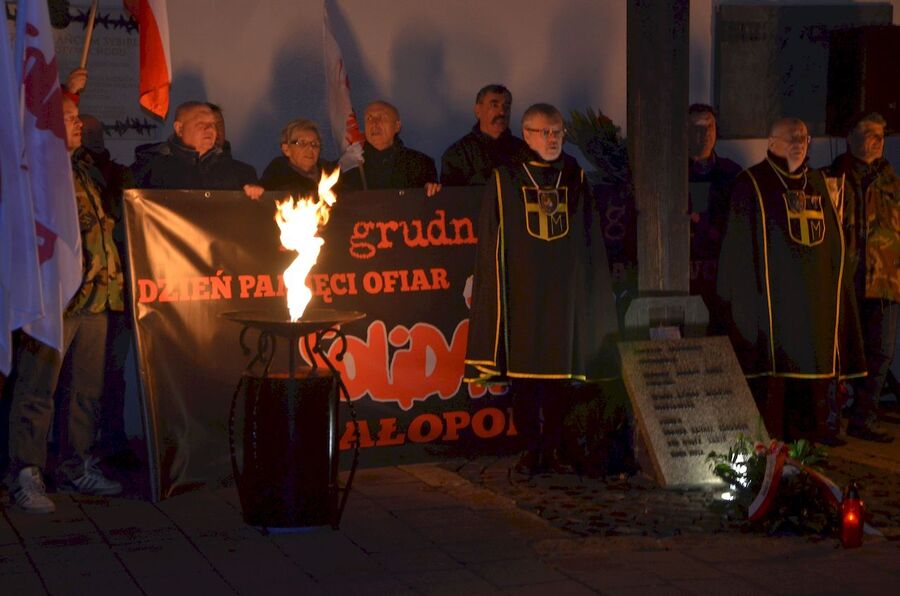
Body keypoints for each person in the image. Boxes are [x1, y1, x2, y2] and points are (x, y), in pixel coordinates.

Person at [465, 103, 619, 475]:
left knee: (558, 380)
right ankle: (531, 448)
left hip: (564, 297)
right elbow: (490, 239)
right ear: (528, 134)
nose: (553, 139)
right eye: (545, 132)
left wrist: (593, 292)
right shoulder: (505, 179)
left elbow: (588, 239)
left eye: (558, 132)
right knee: (524, 378)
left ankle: (552, 448)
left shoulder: (575, 177)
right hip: (522, 294)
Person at [6, 97, 124, 513]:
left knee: (85, 392)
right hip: (53, 300)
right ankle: (25, 472)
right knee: (39, 389)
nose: (80, 124)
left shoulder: (86, 170)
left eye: (77, 118)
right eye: (70, 118)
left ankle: (75, 465)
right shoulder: (36, 172)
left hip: (95, 297)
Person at [717, 117, 866, 445]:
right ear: (771, 143)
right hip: (774, 304)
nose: (799, 143)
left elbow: (833, 246)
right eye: (791, 138)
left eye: (804, 137)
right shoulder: (753, 183)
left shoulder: (817, 182)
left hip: (815, 301)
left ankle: (817, 431)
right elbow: (739, 253)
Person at [827, 112, 898, 443]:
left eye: (881, 134)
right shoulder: (832, 179)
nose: (877, 139)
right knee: (838, 353)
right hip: (845, 282)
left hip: (885, 282)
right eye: (869, 132)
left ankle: (864, 419)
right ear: (849, 137)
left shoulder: (892, 182)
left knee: (881, 352)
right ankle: (829, 420)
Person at [687, 104, 742, 331]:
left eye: (709, 126)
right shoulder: (671, 174)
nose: (705, 134)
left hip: (722, 279)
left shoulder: (732, 174)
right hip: (684, 279)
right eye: (696, 128)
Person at [132, 101, 257, 190]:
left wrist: (255, 196)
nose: (210, 129)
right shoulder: (149, 171)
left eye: (213, 124)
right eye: (201, 124)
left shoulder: (241, 174)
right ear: (179, 128)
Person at [340, 100, 440, 196]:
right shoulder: (349, 166)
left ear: (397, 126)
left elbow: (432, 204)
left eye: (382, 117)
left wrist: (431, 191)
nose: (374, 124)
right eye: (369, 118)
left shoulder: (420, 165)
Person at [440, 84, 528, 185]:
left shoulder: (525, 152)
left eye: (506, 106)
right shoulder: (457, 155)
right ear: (478, 110)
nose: (502, 112)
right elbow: (452, 197)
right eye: (494, 105)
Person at [254, 118, 337, 196]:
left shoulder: (331, 172)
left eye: (314, 144)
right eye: (302, 143)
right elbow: (260, 192)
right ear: (286, 149)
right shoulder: (278, 171)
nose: (310, 148)